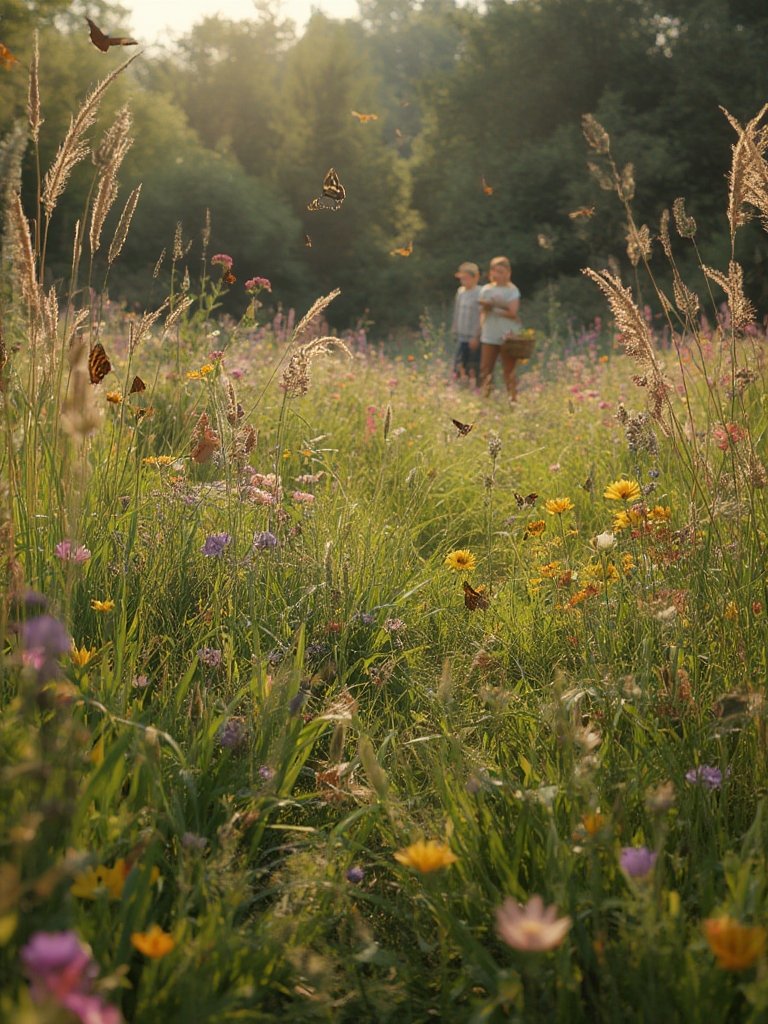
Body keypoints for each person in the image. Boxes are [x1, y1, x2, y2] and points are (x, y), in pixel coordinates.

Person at [478, 256, 522, 402]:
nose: (497, 275)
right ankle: (486, 399)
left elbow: (512, 312)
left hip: (507, 336)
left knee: (509, 370)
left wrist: (495, 307)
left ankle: (512, 399)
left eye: (501, 271)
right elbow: (482, 312)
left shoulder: (512, 290)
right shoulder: (486, 290)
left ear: (508, 272)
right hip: (489, 334)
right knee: (486, 369)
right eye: (495, 271)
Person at [451, 261, 481, 385]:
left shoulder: (480, 292)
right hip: (461, 335)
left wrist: (476, 336)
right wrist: (454, 328)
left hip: (474, 336)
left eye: (466, 278)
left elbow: (482, 316)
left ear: (475, 277)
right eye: (461, 278)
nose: (463, 281)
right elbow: (457, 311)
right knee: (459, 363)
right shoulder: (460, 292)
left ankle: (478, 389)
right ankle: (460, 387)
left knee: (474, 365)